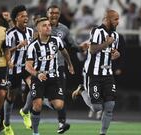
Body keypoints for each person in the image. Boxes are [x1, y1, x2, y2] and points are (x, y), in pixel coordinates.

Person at [72, 9, 121, 135]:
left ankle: (102, 133)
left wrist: (116, 54)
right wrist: (107, 43)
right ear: (108, 19)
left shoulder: (116, 35)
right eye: (115, 19)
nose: (118, 22)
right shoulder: (97, 31)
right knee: (97, 107)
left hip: (107, 74)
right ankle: (82, 90)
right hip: (93, 74)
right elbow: (92, 50)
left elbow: (113, 52)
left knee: (110, 107)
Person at [25, 17, 74, 135]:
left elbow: (64, 52)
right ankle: (35, 132)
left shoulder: (56, 40)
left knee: (59, 105)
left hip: (54, 78)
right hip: (38, 79)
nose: (48, 27)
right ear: (38, 29)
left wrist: (70, 64)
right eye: (44, 25)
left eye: (49, 25)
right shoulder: (33, 46)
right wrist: (37, 74)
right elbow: (28, 66)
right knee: (37, 107)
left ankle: (45, 99)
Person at [46, 5, 88, 134]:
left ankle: (62, 122)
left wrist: (81, 48)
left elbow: (72, 45)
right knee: (33, 98)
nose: (54, 15)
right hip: (41, 67)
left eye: (56, 13)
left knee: (61, 96)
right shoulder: (42, 26)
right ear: (47, 14)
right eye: (52, 13)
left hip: (58, 66)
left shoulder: (64, 29)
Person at [5, 5, 34, 135]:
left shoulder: (30, 32)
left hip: (27, 67)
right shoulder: (10, 34)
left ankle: (25, 111)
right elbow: (5, 52)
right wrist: (17, 47)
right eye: (23, 16)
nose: (26, 18)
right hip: (14, 68)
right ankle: (6, 124)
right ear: (16, 18)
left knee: (35, 88)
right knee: (11, 96)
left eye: (26, 16)